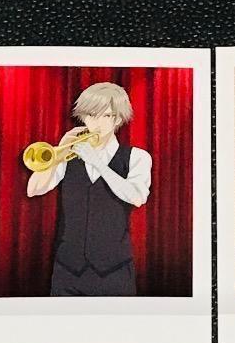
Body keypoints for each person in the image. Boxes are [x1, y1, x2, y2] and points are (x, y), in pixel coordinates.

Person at [26, 81, 152, 296]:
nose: (97, 123)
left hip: (115, 271)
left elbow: (137, 197)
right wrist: (58, 152)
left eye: (105, 116)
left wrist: (98, 163)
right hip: (67, 270)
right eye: (91, 115)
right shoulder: (68, 156)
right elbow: (33, 189)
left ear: (118, 119)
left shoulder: (137, 157)